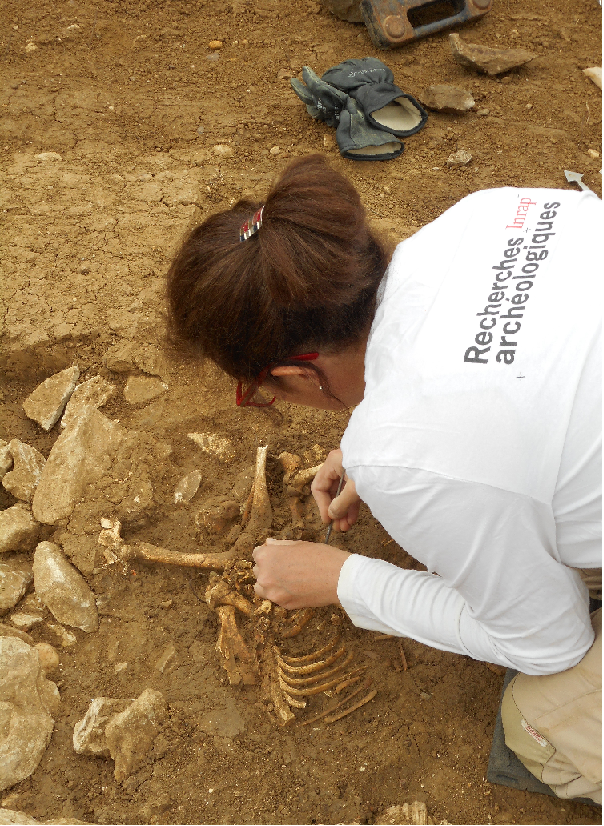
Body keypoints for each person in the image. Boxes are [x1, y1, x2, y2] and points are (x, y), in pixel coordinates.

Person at [166, 154, 602, 804]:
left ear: (294, 372)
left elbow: (545, 643)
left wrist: (346, 580)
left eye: (260, 392)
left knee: (533, 723)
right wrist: (392, 433)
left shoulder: (410, 458)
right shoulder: (482, 217)